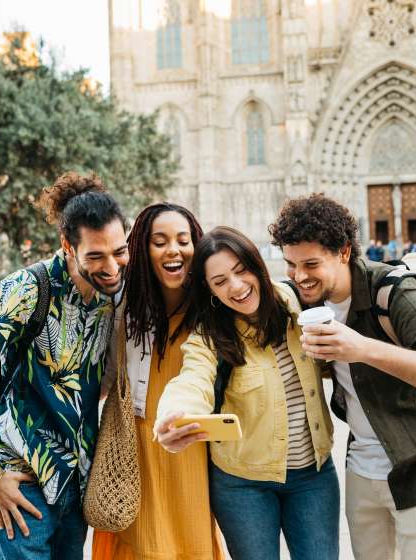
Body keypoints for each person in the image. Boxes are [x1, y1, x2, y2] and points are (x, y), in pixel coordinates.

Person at [269, 194, 416, 560]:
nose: (299, 276)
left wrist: (361, 349)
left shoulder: (399, 292)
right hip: (362, 472)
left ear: (344, 252)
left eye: (311, 264)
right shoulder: (312, 302)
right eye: (291, 265)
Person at [0, 172, 128, 560]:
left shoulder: (109, 298)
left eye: (119, 251)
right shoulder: (25, 290)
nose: (112, 266)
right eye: (96, 256)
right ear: (68, 246)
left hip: (78, 487)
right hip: (23, 483)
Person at [155, 226, 339, 560]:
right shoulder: (210, 334)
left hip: (314, 476)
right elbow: (192, 379)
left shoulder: (296, 303)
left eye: (241, 271)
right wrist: (175, 413)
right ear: (210, 290)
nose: (236, 287)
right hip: (243, 485)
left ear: (256, 265)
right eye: (221, 281)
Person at [92, 203, 225, 560]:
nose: (173, 250)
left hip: (191, 447)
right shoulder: (123, 307)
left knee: (190, 541)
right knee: (142, 544)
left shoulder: (211, 306)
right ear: (142, 249)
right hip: (136, 449)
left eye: (183, 240)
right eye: (160, 241)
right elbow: (105, 379)